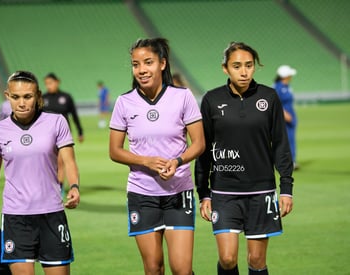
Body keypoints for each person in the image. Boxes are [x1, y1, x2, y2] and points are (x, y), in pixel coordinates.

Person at [195, 42, 294, 275]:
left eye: (249, 65)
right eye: (237, 66)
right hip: (224, 192)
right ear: (225, 69)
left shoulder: (269, 97)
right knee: (228, 259)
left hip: (261, 191)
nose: (243, 71)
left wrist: (287, 188)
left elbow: (280, 144)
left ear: (254, 67)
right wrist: (204, 193)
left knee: (257, 260)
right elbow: (203, 149)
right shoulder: (211, 100)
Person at [109, 38, 205, 275]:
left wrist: (178, 161)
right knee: (153, 268)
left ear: (162, 64)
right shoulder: (124, 102)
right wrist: (146, 161)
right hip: (142, 195)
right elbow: (115, 151)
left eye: (148, 62)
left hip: (178, 192)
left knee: (182, 269)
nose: (141, 70)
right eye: (136, 64)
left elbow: (200, 143)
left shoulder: (183, 97)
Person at [0, 71, 80, 275]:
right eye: (16, 97)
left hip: (51, 214)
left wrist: (75, 186)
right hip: (16, 217)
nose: (22, 103)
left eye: (28, 96)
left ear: (38, 96)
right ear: (8, 96)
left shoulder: (56, 122)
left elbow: (69, 160)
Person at [43, 72, 84, 190]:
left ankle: (59, 188)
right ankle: (51, 185)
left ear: (57, 82)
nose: (49, 86)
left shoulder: (66, 97)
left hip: (63, 135)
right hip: (46, 135)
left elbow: (74, 115)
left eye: (50, 83)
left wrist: (80, 131)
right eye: (46, 84)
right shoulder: (43, 98)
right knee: (50, 163)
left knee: (61, 162)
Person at [274, 65, 298, 170]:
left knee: (291, 140)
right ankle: (286, 162)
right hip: (283, 119)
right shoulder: (278, 87)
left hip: (290, 117)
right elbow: (276, 103)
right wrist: (284, 114)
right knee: (285, 140)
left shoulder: (286, 86)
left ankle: (291, 161)